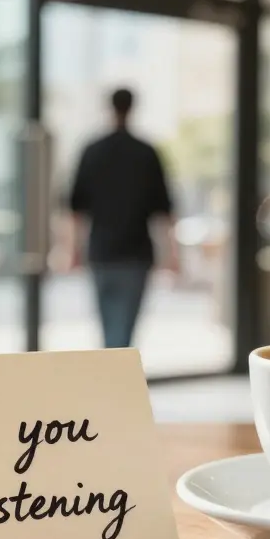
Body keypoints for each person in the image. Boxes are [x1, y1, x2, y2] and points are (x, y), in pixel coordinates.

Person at [64, 88, 177, 349]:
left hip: (101, 252)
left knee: (107, 326)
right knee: (125, 327)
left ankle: (112, 367)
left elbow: (76, 209)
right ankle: (118, 369)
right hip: (136, 254)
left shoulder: (92, 151)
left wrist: (71, 250)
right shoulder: (146, 153)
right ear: (132, 108)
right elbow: (164, 211)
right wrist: (172, 255)